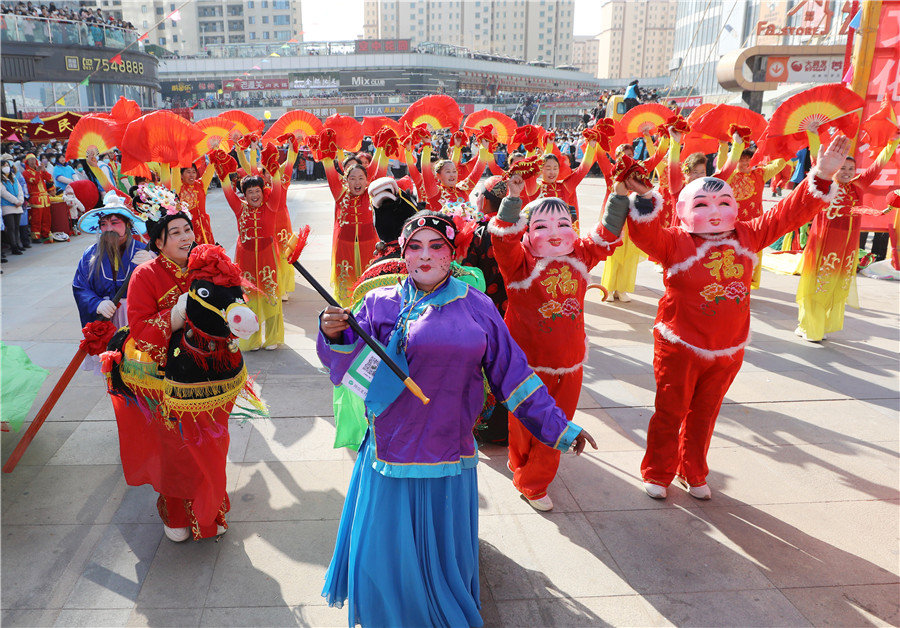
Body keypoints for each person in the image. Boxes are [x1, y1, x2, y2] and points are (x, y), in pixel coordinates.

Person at [317, 210, 596, 627]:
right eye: (415, 247)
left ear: (453, 254)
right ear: (403, 253)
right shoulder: (378, 302)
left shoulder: (477, 306)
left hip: (448, 446)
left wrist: (558, 426)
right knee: (387, 549)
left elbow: (513, 374)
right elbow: (346, 362)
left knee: (438, 550)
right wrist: (333, 332)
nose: (425, 256)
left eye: (437, 246)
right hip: (389, 447)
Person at [604, 134, 849, 500]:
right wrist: (641, 196)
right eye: (703, 203)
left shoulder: (747, 235)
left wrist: (822, 175)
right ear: (684, 209)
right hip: (680, 345)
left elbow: (786, 214)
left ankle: (693, 470)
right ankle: (658, 470)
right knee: (670, 411)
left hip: (728, 348)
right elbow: (646, 236)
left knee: (705, 414)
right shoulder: (676, 241)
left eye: (723, 202)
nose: (715, 211)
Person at [488, 182, 623, 511]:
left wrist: (619, 196)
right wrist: (513, 199)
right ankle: (520, 461)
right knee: (521, 423)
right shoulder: (519, 263)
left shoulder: (579, 256)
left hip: (570, 360)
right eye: (542, 226)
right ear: (527, 231)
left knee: (558, 421)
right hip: (525, 364)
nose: (554, 233)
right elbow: (502, 239)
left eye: (563, 224)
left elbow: (605, 236)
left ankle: (533, 484)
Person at [795, 134, 900, 342]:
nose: (847, 172)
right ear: (834, 167)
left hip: (846, 248)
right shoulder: (824, 184)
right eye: (842, 167)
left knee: (834, 288)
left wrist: (893, 142)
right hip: (823, 243)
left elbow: (877, 166)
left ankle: (820, 325)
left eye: (851, 169)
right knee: (817, 285)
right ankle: (808, 326)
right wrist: (813, 134)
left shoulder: (857, 185)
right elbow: (817, 160)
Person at [220, 171, 284, 351]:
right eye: (250, 192)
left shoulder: (271, 206)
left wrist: (274, 170)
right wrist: (221, 171)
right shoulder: (239, 209)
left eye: (257, 191)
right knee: (249, 299)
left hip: (268, 258)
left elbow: (278, 187)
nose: (254, 195)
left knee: (271, 297)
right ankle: (251, 339)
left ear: (263, 192)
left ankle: (272, 338)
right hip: (245, 259)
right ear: (244, 194)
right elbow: (227, 190)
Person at [72, 190, 150, 329]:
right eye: (103, 224)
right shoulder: (90, 254)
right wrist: (96, 304)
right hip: (104, 318)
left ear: (128, 225)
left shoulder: (143, 252)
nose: (109, 229)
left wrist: (152, 265)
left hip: (136, 316)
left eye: (115, 223)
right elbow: (80, 286)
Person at [171, 161, 215, 245]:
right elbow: (175, 169)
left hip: (204, 227)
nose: (191, 175)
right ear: (181, 175)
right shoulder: (179, 187)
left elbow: (210, 170)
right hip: (187, 227)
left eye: (194, 172)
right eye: (188, 172)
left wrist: (214, 155)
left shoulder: (201, 185)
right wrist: (177, 158)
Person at [21, 152, 55, 243]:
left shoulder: (39, 170)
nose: (33, 161)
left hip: (45, 198)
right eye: (30, 160)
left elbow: (50, 180)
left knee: (47, 218)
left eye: (34, 159)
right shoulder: (26, 173)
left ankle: (46, 234)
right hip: (36, 198)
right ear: (27, 162)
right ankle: (36, 236)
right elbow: (34, 181)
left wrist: (44, 171)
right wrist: (38, 171)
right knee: (36, 219)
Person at [1, 158, 26, 255]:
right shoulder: (1, 179)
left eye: (7, 165)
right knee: (11, 227)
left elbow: (20, 189)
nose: (6, 167)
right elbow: (3, 193)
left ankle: (18, 244)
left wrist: (20, 200)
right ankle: (13, 246)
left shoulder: (13, 176)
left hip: (17, 205)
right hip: (7, 206)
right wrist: (15, 201)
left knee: (16, 227)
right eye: (4, 166)